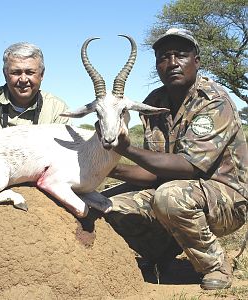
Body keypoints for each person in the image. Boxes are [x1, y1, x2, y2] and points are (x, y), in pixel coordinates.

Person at [100, 28, 248, 290]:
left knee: (169, 196)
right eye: (163, 57)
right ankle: (159, 256)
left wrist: (125, 150)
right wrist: (105, 166)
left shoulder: (214, 101)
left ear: (196, 61)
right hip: (175, 188)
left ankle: (215, 265)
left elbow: (187, 167)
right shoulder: (153, 103)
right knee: (109, 205)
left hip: (227, 200)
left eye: (180, 55)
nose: (172, 64)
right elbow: (156, 172)